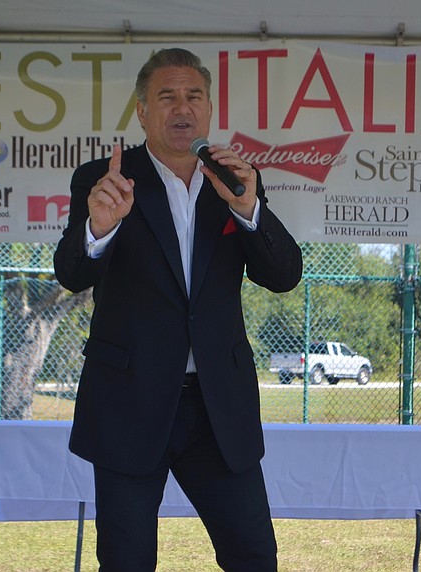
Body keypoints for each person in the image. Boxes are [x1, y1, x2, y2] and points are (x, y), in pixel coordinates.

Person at [54, 47, 303, 571]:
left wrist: (249, 208)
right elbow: (73, 273)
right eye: (166, 97)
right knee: (126, 560)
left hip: (218, 410)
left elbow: (282, 276)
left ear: (210, 109)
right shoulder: (105, 180)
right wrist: (100, 227)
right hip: (130, 403)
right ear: (142, 112)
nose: (181, 108)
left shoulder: (236, 179)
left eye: (193, 96)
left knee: (254, 556)